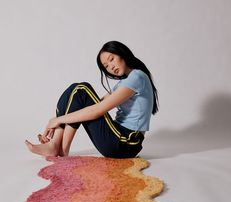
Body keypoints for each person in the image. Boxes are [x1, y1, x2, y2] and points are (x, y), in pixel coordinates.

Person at [25, 41, 159, 158]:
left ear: (121, 53)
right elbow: (92, 104)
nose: (110, 67)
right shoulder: (125, 82)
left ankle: (57, 147)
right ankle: (57, 147)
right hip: (119, 140)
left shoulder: (137, 77)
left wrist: (56, 120)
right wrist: (57, 119)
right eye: (106, 66)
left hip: (125, 143)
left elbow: (97, 110)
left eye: (111, 59)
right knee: (77, 90)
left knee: (82, 89)